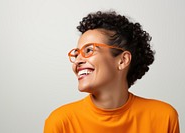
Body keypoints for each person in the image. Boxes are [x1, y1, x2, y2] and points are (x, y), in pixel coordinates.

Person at [44, 11, 180, 133]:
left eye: (89, 50)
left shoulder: (164, 117)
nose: (77, 61)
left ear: (122, 61)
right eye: (76, 54)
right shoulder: (61, 122)